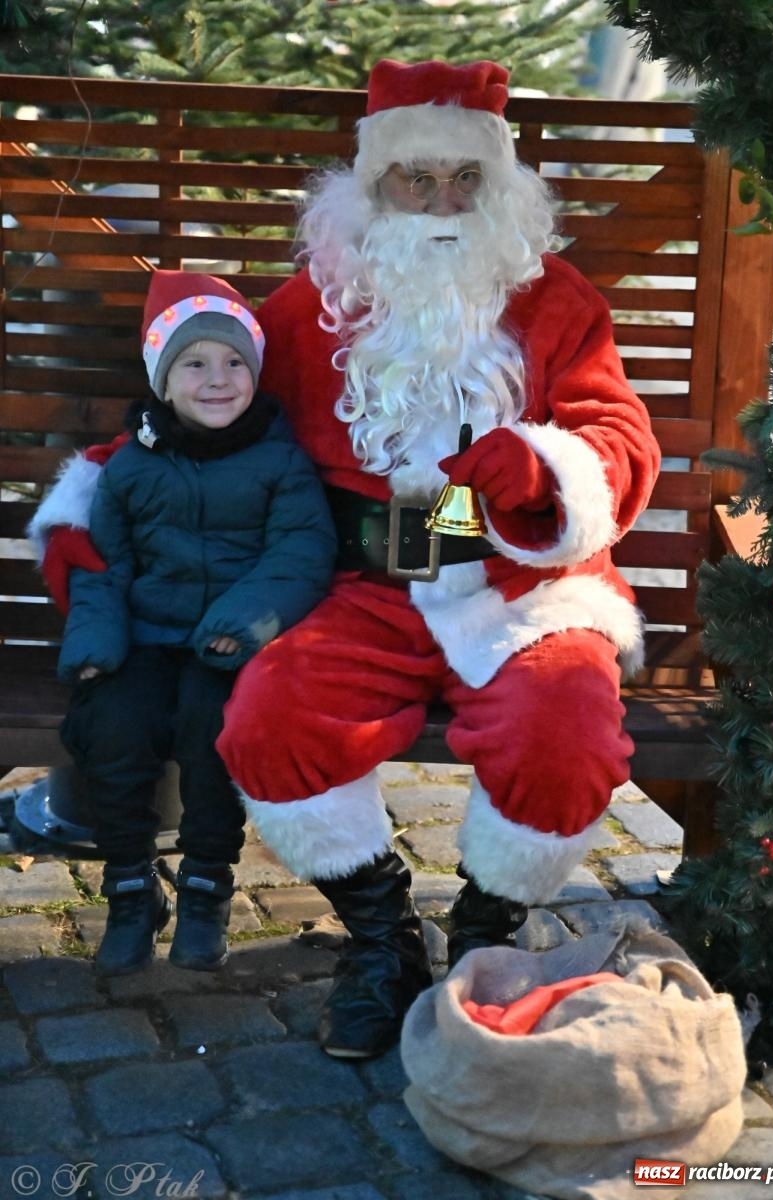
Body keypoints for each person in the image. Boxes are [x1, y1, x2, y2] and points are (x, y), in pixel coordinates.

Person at [33, 59, 660, 1055]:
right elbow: (209, 404)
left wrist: (543, 468)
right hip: (356, 582)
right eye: (417, 178)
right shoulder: (314, 301)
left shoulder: (557, 301)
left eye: (468, 180)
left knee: (566, 730)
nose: (444, 203)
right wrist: (89, 497)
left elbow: (618, 433)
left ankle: (485, 934)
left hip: (522, 587)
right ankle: (379, 935)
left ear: (501, 187)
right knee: (270, 720)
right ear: (372, 186)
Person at [50, 269, 337, 977]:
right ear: (162, 378)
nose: (218, 379)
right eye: (195, 363)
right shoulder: (132, 469)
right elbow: (101, 565)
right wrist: (95, 641)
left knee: (216, 734)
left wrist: (245, 623)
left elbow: (300, 553)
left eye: (235, 361)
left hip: (231, 645)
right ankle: (128, 889)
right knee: (112, 727)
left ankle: (207, 884)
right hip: (146, 638)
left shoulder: (279, 459)